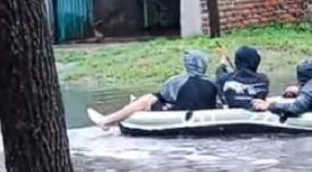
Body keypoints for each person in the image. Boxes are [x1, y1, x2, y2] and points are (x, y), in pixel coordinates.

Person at [89, 50, 218, 128]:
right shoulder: (214, 82)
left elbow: (160, 97)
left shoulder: (176, 81)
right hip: (206, 116)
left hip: (179, 117)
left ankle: (106, 122)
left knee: (147, 100)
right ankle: (130, 106)